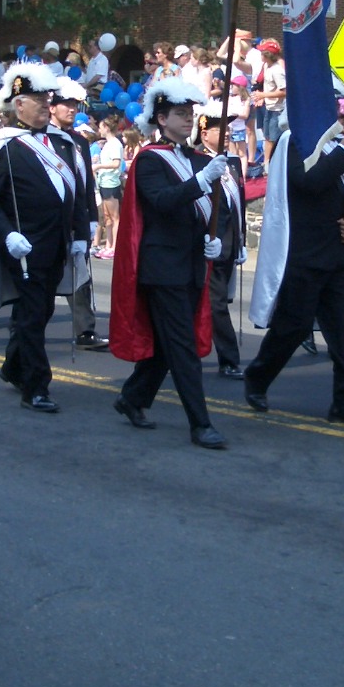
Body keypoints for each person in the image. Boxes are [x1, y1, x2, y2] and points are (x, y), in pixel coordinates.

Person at [109, 78, 229, 448]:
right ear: (161, 119)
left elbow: (215, 211)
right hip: (162, 268)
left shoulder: (200, 160)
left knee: (165, 345)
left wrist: (216, 239)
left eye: (190, 112)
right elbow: (162, 201)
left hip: (192, 265)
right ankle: (200, 424)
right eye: (180, 113)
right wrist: (201, 180)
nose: (189, 118)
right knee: (182, 347)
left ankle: (132, 397)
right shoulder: (149, 160)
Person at [244, 98, 344, 427]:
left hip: (342, 255)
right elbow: (308, 182)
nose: (343, 118)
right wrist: (343, 151)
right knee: (294, 326)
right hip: (307, 255)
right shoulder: (294, 143)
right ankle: (258, 376)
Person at [0, 63, 90, 413]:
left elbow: (77, 192)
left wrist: (81, 234)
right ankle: (36, 386)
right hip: (24, 246)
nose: (44, 105)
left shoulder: (63, 143)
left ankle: (13, 366)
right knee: (33, 312)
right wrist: (8, 235)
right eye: (37, 99)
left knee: (40, 311)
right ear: (19, 104)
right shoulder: (5, 144)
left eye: (46, 98)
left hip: (57, 244)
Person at [48, 80, 107, 351]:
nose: (72, 109)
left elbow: (86, 183)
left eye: (74, 104)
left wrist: (92, 217)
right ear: (51, 107)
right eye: (66, 104)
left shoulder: (80, 141)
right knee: (43, 281)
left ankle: (85, 330)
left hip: (77, 218)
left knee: (81, 277)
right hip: (49, 221)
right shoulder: (42, 139)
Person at [195, 103, 246, 380]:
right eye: (220, 128)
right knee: (216, 304)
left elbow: (238, 203)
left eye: (228, 128)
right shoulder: (197, 161)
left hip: (229, 244)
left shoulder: (233, 162)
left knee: (217, 300)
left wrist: (241, 240)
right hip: (208, 245)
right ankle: (229, 359)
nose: (227, 133)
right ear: (204, 134)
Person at [92, 115, 125, 256]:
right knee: (107, 217)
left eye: (100, 127)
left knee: (114, 216)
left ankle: (115, 247)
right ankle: (108, 245)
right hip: (103, 182)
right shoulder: (107, 144)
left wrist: (98, 166)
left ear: (106, 128)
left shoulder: (115, 144)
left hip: (111, 183)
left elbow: (116, 163)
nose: (99, 130)